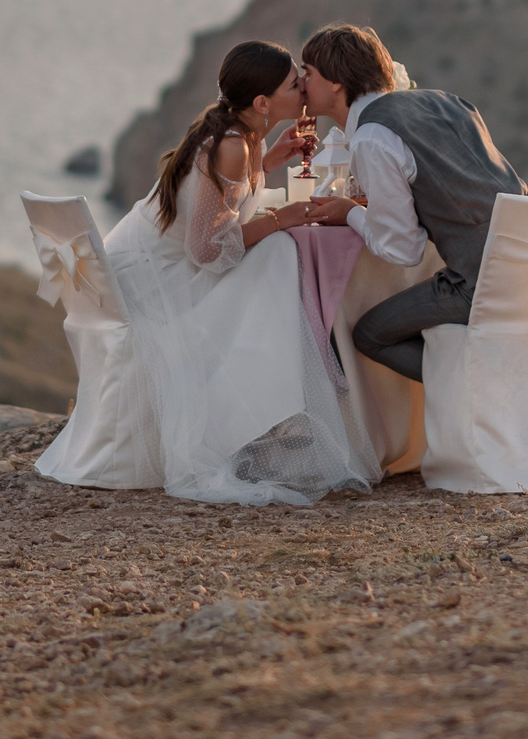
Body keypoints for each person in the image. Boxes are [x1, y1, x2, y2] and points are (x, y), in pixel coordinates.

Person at [100, 40, 378, 504]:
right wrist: (281, 218)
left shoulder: (243, 135)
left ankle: (271, 406)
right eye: (294, 83)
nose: (304, 87)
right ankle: (269, 407)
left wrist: (272, 161)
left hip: (158, 263)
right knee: (278, 258)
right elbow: (207, 250)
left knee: (274, 259)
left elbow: (222, 200)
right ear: (263, 103)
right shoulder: (231, 144)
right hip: (159, 282)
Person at [297, 24, 528, 382]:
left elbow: (403, 250)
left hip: (486, 282)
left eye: (307, 73)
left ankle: (481, 389)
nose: (301, 83)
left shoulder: (373, 137)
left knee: (370, 334)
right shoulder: (445, 101)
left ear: (335, 82)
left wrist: (351, 213)